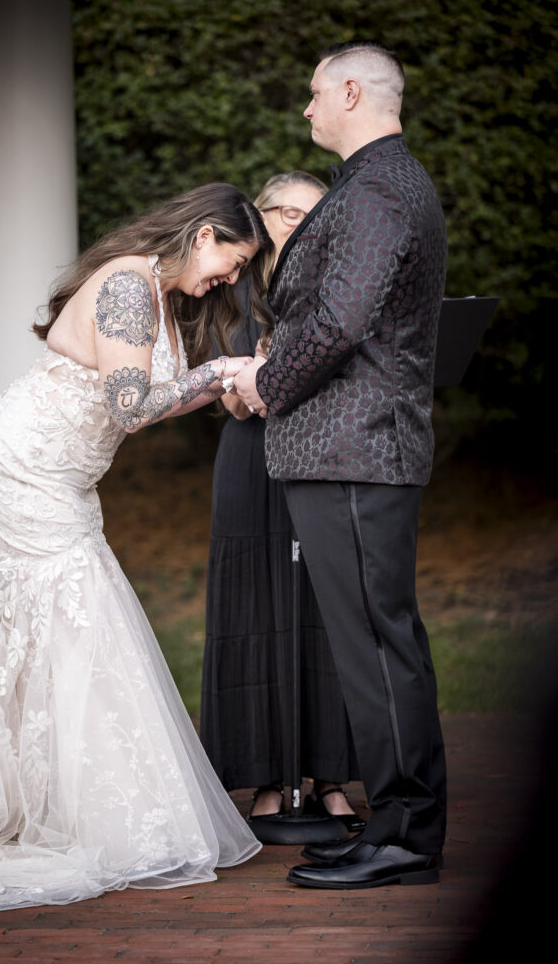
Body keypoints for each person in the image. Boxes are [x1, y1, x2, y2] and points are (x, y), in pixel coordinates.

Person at [0, 183, 272, 920]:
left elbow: (141, 403)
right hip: (24, 466)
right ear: (206, 233)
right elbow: (130, 407)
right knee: (80, 614)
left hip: (55, 470)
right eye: (234, 261)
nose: (231, 279)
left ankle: (41, 799)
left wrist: (217, 383)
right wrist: (220, 372)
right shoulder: (127, 285)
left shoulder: (152, 290)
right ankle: (85, 814)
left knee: (46, 626)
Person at [234, 42, 448, 889]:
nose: (306, 109)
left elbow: (333, 321)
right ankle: (397, 826)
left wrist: (264, 382)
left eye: (314, 93)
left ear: (352, 90)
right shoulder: (380, 185)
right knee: (379, 644)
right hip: (351, 449)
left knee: (377, 647)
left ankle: (403, 837)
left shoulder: (377, 188)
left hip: (353, 450)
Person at [200, 171, 365, 830]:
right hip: (250, 460)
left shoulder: (341, 291)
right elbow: (233, 400)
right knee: (254, 609)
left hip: (325, 458)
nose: (299, 224)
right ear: (260, 218)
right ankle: (264, 777)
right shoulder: (230, 294)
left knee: (328, 613)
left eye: (312, 213)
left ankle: (328, 776)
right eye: (286, 213)